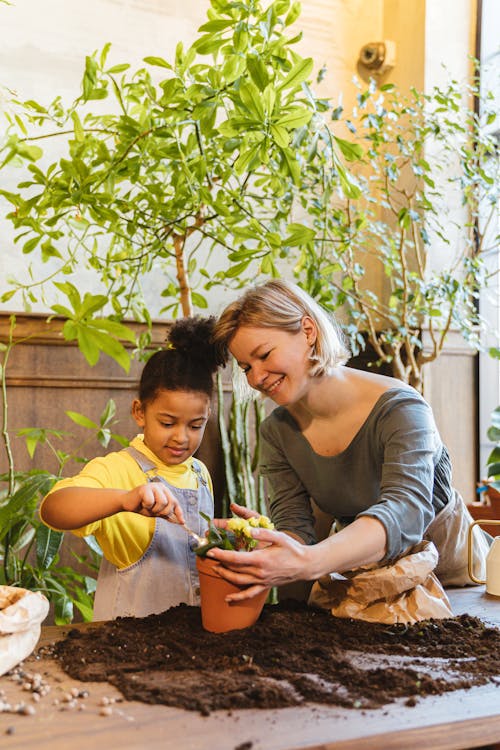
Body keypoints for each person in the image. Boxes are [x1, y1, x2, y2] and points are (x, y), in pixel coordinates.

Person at [209, 278, 490, 603]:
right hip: (368, 580)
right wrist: (265, 546)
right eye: (245, 367)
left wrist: (311, 561)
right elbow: (296, 529)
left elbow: (405, 510)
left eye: (264, 355)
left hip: (457, 584)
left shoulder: (401, 407)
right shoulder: (277, 432)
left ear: (308, 331)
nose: (256, 378)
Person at [40, 317, 224, 620]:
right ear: (140, 412)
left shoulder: (200, 474)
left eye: (195, 425)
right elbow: (53, 509)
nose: (181, 437)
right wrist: (125, 499)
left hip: (186, 643)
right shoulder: (119, 469)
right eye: (167, 423)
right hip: (124, 645)